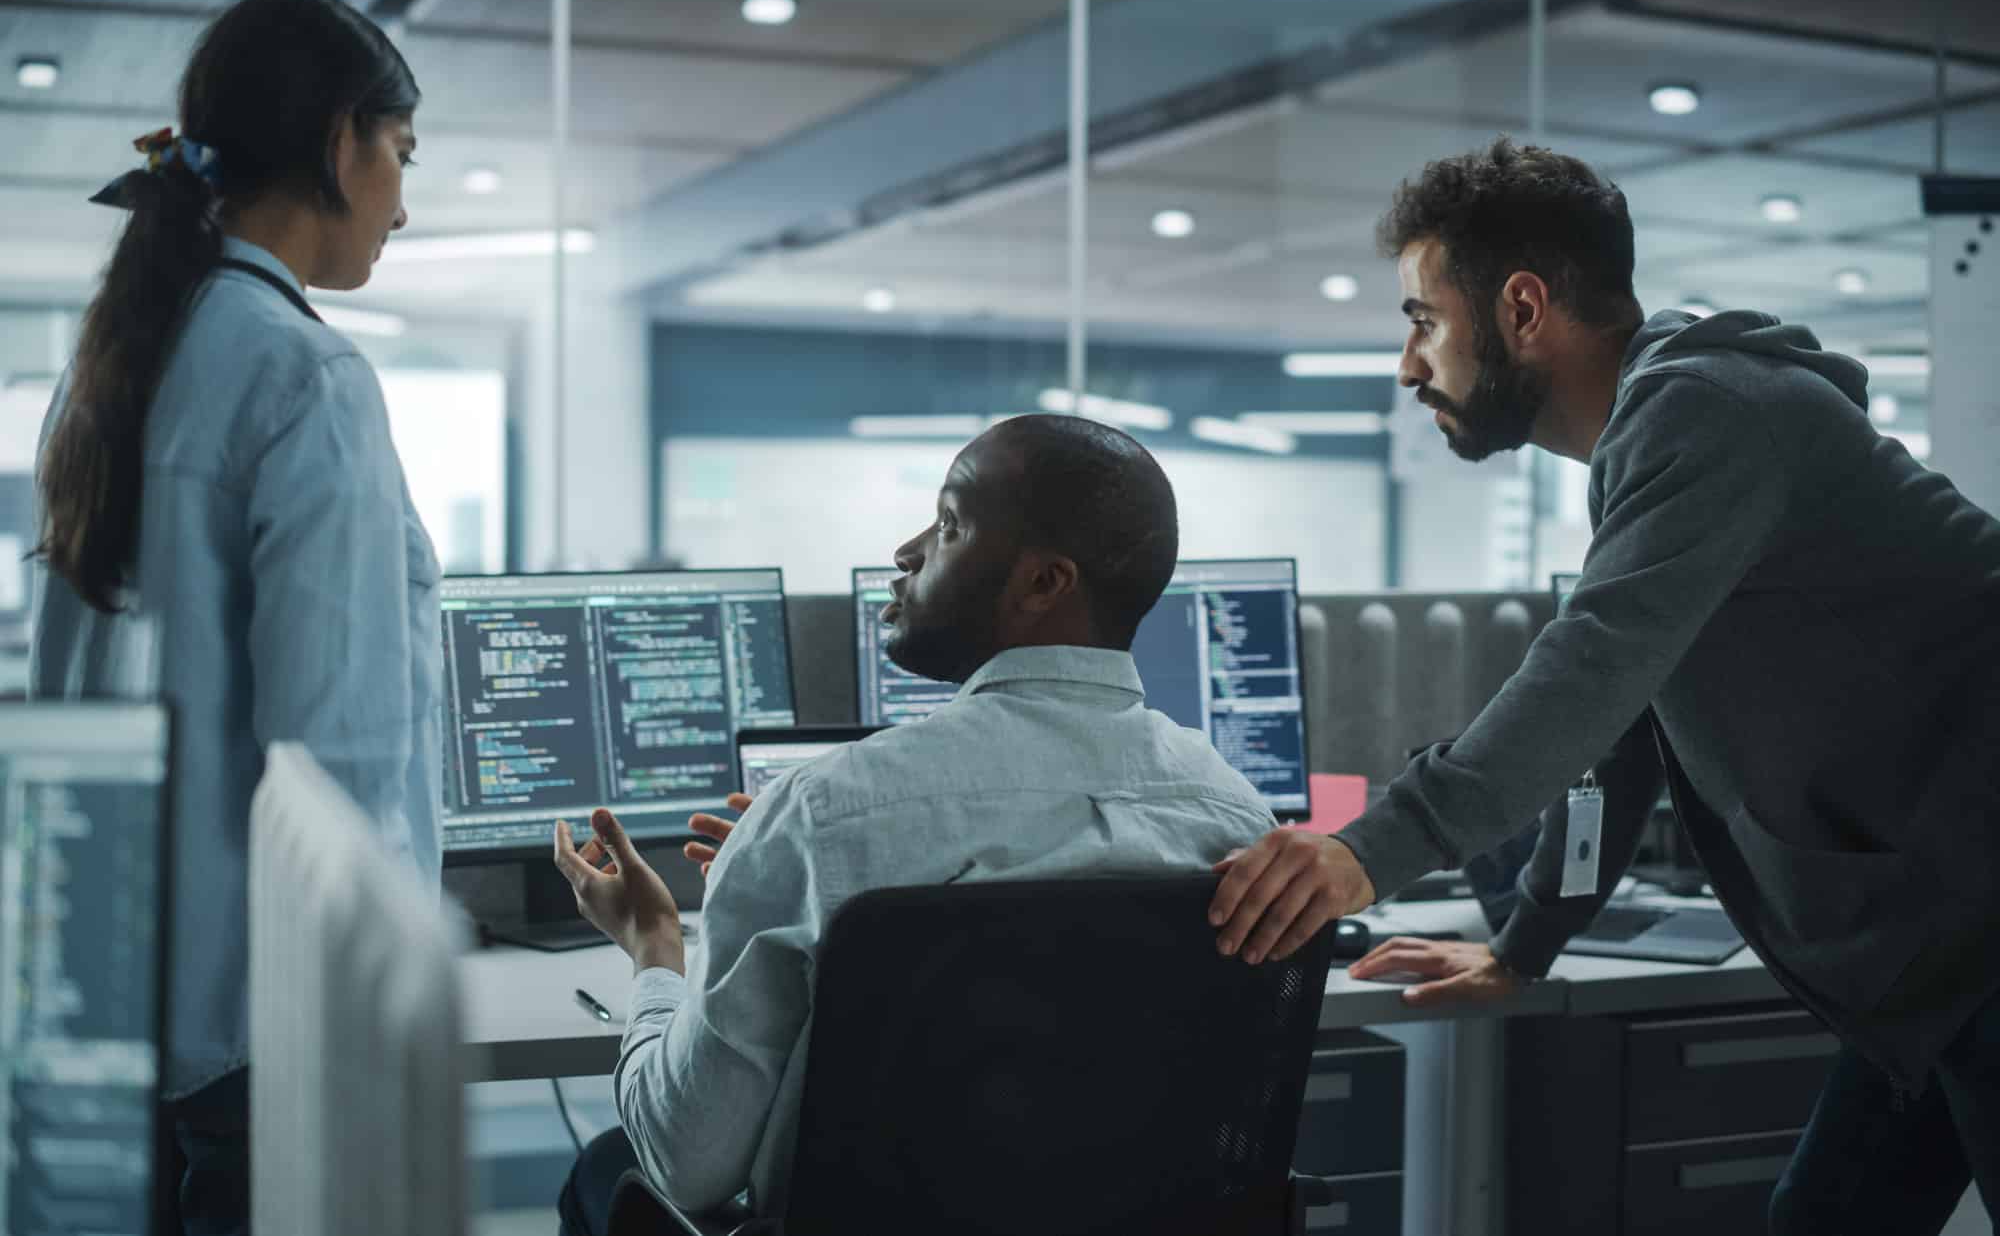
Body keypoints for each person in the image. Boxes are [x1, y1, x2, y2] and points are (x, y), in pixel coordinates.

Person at [1207, 137, 2000, 1228]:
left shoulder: (1709, 414)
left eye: (1420, 320)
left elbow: (1581, 676)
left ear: (1522, 307)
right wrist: (1525, 940)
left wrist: (1358, 851)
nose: (1406, 367)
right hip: (1941, 945)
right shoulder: (1658, 438)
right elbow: (1618, 728)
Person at [549, 414, 1278, 1232]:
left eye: (952, 523)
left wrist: (657, 950)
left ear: (1045, 583)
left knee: (610, 1164)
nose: (909, 549)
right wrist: (770, 871)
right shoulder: (1244, 823)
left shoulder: (824, 814)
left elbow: (688, 1164)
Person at [28, 0, 432, 1232]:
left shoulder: (113, 365)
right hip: (267, 1028)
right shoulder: (304, 374)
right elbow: (337, 761)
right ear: (338, 141)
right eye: (400, 156)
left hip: (124, 999)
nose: (405, 205)